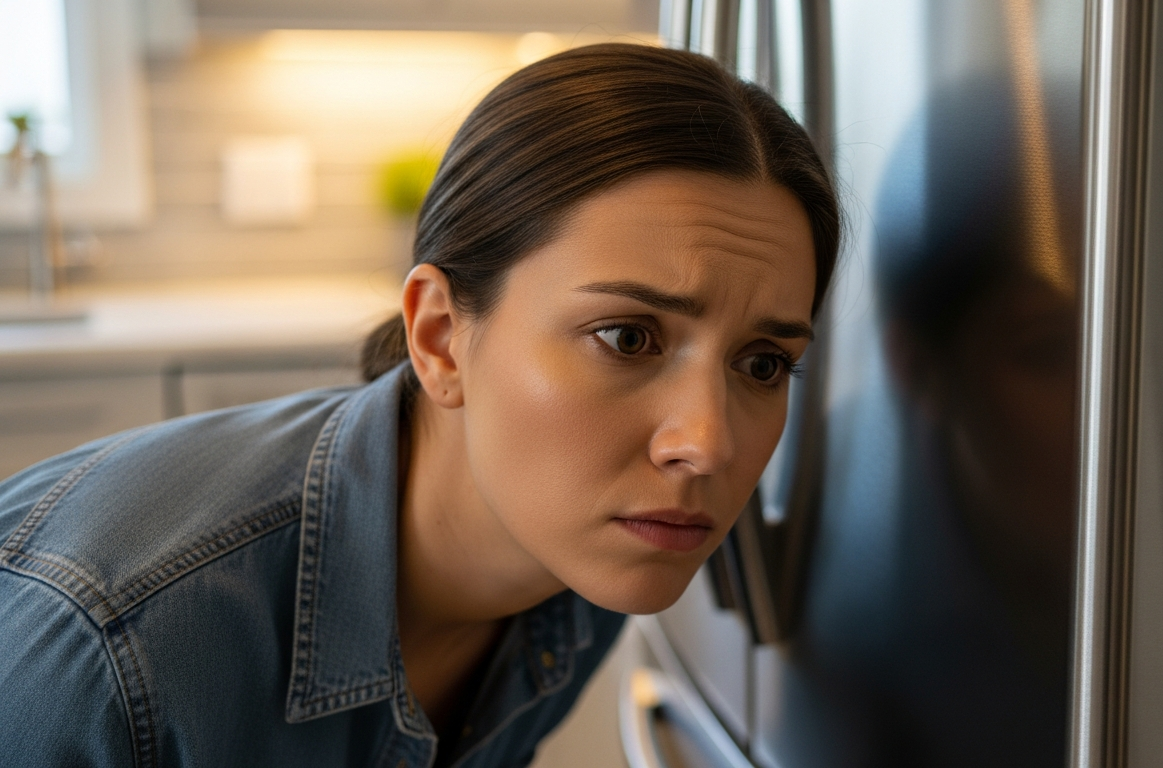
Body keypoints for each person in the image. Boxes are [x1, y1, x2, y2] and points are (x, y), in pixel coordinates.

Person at [0, 43, 839, 768]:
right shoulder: (109, 650)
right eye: (627, 338)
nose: (707, 443)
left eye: (764, 362)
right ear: (440, 339)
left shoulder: (588, 572)